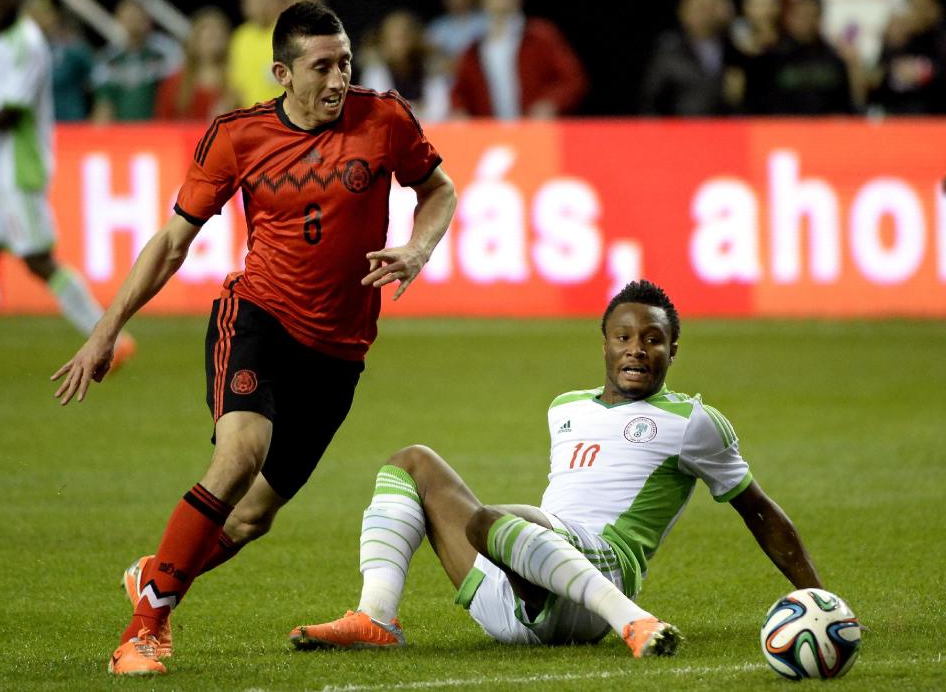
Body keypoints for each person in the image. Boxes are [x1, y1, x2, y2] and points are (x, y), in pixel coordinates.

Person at [52, 0, 456, 676]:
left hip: (339, 351)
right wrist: (105, 330)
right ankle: (144, 630)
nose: (338, 80)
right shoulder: (236, 136)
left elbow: (438, 190)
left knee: (248, 521)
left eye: (345, 62)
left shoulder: (384, 119)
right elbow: (172, 243)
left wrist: (417, 250)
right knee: (240, 457)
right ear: (282, 73)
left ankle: (158, 574)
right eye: (321, 67)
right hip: (258, 318)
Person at [290, 280, 824, 656]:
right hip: (515, 593)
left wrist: (817, 596)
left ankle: (632, 622)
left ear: (673, 350)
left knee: (490, 522)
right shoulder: (565, 406)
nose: (636, 350)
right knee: (412, 463)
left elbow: (757, 511)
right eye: (624, 337)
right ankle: (375, 615)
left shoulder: (692, 421)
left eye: (653, 339)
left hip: (600, 582)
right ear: (605, 344)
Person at [0, 0, 134, 384]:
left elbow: (11, 108)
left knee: (38, 259)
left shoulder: (25, 41)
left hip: (20, 167)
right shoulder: (0, 41)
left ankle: (111, 339)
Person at [450, 0, 588, 119]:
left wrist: (551, 103)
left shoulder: (539, 37)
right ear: (483, 2)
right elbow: (458, 92)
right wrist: (460, 112)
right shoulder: (475, 49)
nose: (500, 2)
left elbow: (572, 79)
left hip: (535, 129)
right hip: (491, 135)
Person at [640, 0, 739, 116]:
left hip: (731, 130)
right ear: (683, 12)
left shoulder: (736, 49)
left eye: (710, 8)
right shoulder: (669, 50)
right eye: (700, 8)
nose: (706, 16)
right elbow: (652, 101)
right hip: (682, 130)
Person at [90, 0, 182, 122]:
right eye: (129, 17)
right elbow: (103, 104)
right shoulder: (108, 60)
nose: (134, 22)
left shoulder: (166, 54)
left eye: (138, 17)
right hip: (121, 132)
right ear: (119, 19)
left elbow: (177, 94)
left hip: (159, 129)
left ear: (148, 20)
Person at [360, 9, 450, 122]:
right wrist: (418, 107)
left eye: (404, 36)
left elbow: (440, 111)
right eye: (393, 37)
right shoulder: (375, 72)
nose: (399, 43)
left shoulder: (432, 68)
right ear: (383, 40)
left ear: (415, 37)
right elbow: (382, 112)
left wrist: (404, 108)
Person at [155, 7, 236, 121]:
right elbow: (163, 122)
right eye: (207, 39)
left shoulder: (235, 81)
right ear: (194, 41)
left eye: (217, 38)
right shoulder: (174, 83)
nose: (212, 44)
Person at [228, 0, 285, 108]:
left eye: (266, 0)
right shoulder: (240, 37)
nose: (261, 5)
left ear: (279, 2)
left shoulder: (290, 34)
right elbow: (235, 84)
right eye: (255, 0)